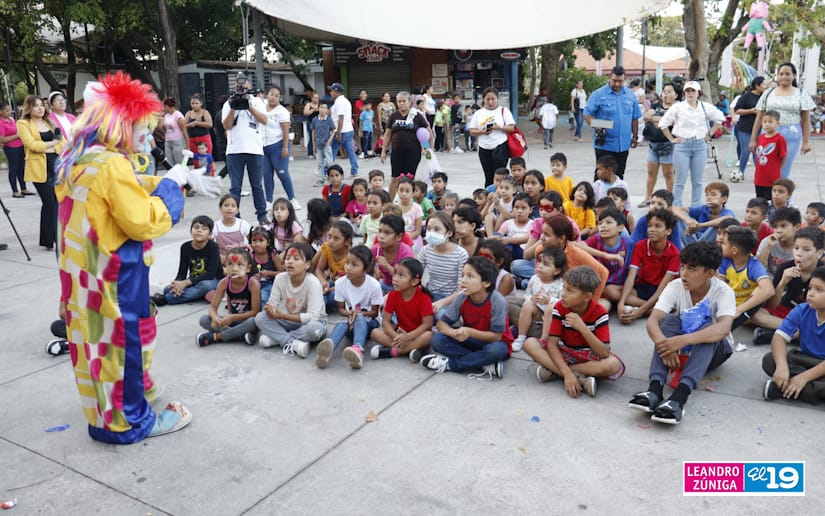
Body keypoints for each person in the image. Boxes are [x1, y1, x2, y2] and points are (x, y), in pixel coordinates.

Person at [55, 72, 192, 443]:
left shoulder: (79, 159)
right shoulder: (111, 164)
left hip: (85, 275)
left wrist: (165, 180)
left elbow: (124, 187)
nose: (144, 134)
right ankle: (130, 421)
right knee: (123, 341)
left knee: (99, 343)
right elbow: (142, 220)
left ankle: (122, 399)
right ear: (119, 124)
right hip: (115, 276)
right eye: (139, 126)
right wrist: (171, 191)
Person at [628, 241, 734, 425]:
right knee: (669, 320)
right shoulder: (675, 286)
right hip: (677, 351)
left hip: (713, 351)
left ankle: (679, 398)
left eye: (692, 269)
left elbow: (723, 329)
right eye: (683, 267)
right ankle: (654, 389)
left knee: (709, 329)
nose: (684, 273)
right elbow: (653, 320)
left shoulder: (723, 291)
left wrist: (681, 341)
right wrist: (665, 347)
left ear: (709, 273)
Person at [524, 266, 624, 397]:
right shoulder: (559, 307)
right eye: (564, 288)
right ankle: (580, 378)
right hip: (564, 352)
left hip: (588, 357)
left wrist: (582, 328)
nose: (563, 294)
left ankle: (554, 371)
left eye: (570, 291)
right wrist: (567, 374)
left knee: (613, 364)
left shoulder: (600, 312)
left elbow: (604, 353)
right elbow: (552, 344)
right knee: (529, 344)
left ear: (587, 297)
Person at [421, 256, 512, 380]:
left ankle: (451, 364)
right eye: (462, 275)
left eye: (470, 276)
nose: (463, 280)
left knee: (496, 350)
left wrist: (469, 332)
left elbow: (496, 336)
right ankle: (483, 363)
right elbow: (441, 324)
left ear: (486, 283)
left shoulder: (497, 301)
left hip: (493, 342)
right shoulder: (462, 297)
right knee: (437, 340)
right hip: (469, 340)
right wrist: (453, 333)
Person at [762, 266, 825, 404]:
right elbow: (779, 337)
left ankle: (783, 388)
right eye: (810, 288)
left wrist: (804, 377)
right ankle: (801, 388)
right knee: (769, 360)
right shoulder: (802, 310)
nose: (811, 293)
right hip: (805, 358)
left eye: (819, 290)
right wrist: (782, 366)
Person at [658, 81, 726, 207]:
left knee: (697, 181)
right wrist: (671, 139)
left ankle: (696, 207)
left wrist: (710, 133)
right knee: (679, 181)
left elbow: (720, 117)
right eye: (687, 91)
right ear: (684, 93)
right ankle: (676, 207)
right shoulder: (678, 107)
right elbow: (663, 123)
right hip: (682, 145)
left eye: (693, 91)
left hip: (700, 145)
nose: (690, 93)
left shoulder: (705, 107)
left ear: (698, 93)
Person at [315, 244, 383, 369]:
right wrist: (349, 314)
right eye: (347, 263)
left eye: (354, 265)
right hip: (350, 321)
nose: (348, 268)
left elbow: (375, 313)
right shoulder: (340, 283)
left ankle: (358, 349)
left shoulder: (374, 285)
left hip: (370, 323)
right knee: (341, 324)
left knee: (360, 318)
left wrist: (358, 314)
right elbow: (341, 309)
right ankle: (328, 350)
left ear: (366, 269)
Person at [254, 242, 327, 357]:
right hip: (287, 321)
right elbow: (273, 303)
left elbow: (313, 317)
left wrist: (282, 315)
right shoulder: (280, 278)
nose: (290, 262)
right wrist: (270, 308)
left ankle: (276, 339)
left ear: (307, 264)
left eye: (296, 259)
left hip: (310, 323)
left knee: (315, 330)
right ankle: (293, 343)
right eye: (287, 258)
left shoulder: (313, 283)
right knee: (260, 318)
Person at [749, 63, 815, 179]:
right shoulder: (768, 93)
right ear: (777, 76)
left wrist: (806, 142)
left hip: (791, 135)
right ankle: (766, 191)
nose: (784, 77)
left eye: (788, 74)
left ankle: (782, 191)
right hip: (768, 135)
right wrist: (753, 139)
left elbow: (805, 120)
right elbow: (759, 117)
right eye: (781, 74)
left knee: (783, 170)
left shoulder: (801, 93)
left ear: (794, 76)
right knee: (766, 167)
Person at [17, 94, 64, 250]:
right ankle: (50, 240)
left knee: (57, 201)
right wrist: (53, 143)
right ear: (29, 108)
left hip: (55, 165)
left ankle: (53, 238)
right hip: (38, 167)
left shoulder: (49, 122)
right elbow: (32, 145)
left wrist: (50, 146)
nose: (40, 108)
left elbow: (62, 144)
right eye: (36, 105)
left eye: (42, 105)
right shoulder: (23, 123)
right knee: (49, 202)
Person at [617, 209, 680, 323]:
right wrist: (620, 304)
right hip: (644, 287)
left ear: (668, 231)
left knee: (670, 299)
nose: (652, 229)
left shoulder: (675, 254)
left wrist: (639, 312)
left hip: (664, 291)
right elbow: (631, 277)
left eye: (658, 226)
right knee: (611, 291)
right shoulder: (640, 246)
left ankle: (649, 309)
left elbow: (662, 289)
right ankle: (654, 310)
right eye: (650, 226)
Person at [221, 76, 269, 226]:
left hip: (254, 150)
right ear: (234, 88)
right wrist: (234, 107)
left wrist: (249, 106)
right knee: (235, 187)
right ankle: (235, 216)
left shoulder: (257, 101)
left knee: (257, 186)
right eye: (239, 88)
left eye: (245, 88)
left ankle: (262, 215)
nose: (242, 91)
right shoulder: (228, 103)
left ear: (250, 88)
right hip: (234, 151)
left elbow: (264, 120)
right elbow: (226, 126)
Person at [370, 257, 434, 361]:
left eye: (401, 275)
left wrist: (407, 337)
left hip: (418, 334)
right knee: (375, 333)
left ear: (414, 281)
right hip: (399, 334)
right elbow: (385, 322)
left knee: (428, 336)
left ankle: (395, 351)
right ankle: (411, 350)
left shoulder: (424, 298)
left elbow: (427, 324)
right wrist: (398, 338)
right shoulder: (393, 295)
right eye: (395, 273)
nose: (395, 278)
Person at [196, 246, 261, 347]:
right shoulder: (224, 282)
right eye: (230, 264)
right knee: (204, 319)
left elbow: (255, 312)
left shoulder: (253, 283)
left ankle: (216, 337)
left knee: (253, 322)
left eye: (240, 265)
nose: (234, 269)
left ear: (248, 268)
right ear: (225, 266)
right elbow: (213, 307)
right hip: (231, 321)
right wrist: (215, 317)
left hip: (246, 320)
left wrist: (233, 317)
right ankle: (240, 336)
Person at [584, 67, 641, 180]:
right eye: (614, 81)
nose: (617, 84)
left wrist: (635, 136)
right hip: (605, 145)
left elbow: (635, 117)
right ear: (610, 78)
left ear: (624, 80)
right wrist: (596, 124)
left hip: (623, 145)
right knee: (601, 176)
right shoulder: (599, 94)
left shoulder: (630, 95)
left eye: (620, 81)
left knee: (619, 176)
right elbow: (587, 113)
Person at [152, 215, 221, 306]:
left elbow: (210, 274)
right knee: (167, 289)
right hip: (194, 279)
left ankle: (167, 299)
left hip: (212, 280)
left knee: (205, 286)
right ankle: (198, 295)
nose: (199, 230)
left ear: (210, 234)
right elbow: (182, 272)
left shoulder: (213, 246)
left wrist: (185, 283)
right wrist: (177, 284)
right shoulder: (185, 247)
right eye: (196, 227)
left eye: (204, 229)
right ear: (190, 231)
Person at [510, 247, 567, 351]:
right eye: (539, 262)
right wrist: (531, 298)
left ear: (557, 271)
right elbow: (527, 294)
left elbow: (564, 303)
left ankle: (544, 339)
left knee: (550, 308)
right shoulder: (534, 279)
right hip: (538, 313)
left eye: (546, 264)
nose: (540, 266)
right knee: (527, 304)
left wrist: (550, 300)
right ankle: (521, 337)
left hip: (554, 317)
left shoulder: (560, 284)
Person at [380, 91, 429, 199]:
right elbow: (387, 134)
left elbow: (426, 132)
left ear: (409, 102)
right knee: (394, 178)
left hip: (413, 152)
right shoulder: (393, 116)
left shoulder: (416, 115)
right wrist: (383, 151)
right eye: (399, 101)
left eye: (404, 101)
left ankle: (409, 201)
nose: (401, 103)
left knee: (409, 179)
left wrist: (427, 147)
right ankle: (389, 202)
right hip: (397, 152)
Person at [260, 86, 299, 211]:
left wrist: (285, 147)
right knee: (266, 175)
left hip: (277, 145)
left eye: (277, 96)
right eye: (271, 94)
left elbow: (285, 130)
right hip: (263, 146)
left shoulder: (282, 111)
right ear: (267, 95)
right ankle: (268, 201)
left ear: (280, 98)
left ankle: (292, 199)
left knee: (282, 173)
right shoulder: (261, 107)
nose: (273, 98)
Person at [468, 88, 516, 187]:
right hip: (484, 148)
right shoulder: (479, 113)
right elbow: (472, 131)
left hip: (500, 146)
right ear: (483, 99)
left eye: (493, 99)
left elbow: (511, 128)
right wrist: (481, 132)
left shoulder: (504, 111)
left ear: (497, 99)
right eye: (487, 99)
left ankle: (503, 192)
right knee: (488, 176)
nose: (490, 102)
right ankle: (488, 193)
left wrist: (499, 127)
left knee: (500, 176)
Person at [640, 83, 678, 207]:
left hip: (668, 146)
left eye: (669, 92)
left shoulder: (677, 108)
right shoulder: (656, 106)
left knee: (668, 174)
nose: (666, 94)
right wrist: (663, 120)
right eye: (664, 91)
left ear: (675, 95)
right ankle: (647, 197)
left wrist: (657, 119)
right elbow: (646, 116)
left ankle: (669, 199)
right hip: (653, 145)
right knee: (651, 173)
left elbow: (675, 121)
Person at [733, 77, 766, 179]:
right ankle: (741, 172)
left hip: (760, 128)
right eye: (764, 84)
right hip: (745, 128)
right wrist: (750, 111)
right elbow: (737, 110)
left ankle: (759, 174)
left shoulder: (764, 97)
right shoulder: (746, 96)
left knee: (758, 151)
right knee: (746, 150)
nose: (766, 86)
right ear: (757, 86)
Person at [0, 100, 33, 197]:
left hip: (20, 146)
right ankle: (15, 191)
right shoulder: (1, 123)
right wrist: (17, 135)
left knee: (21, 169)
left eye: (9, 110)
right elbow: (2, 139)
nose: (9, 112)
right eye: (7, 111)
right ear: (1, 111)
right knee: (13, 169)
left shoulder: (11, 120)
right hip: (11, 148)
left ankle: (24, 188)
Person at [753, 110, 787, 201]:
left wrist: (777, 169)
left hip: (771, 178)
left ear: (778, 123)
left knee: (770, 201)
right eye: (764, 122)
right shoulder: (760, 137)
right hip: (759, 177)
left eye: (770, 122)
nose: (767, 124)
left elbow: (783, 156)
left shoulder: (779, 139)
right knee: (759, 201)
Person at [328, 83, 359, 177]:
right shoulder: (345, 101)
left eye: (332, 91)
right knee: (350, 151)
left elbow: (340, 118)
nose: (331, 93)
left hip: (341, 130)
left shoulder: (339, 103)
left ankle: (327, 170)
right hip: (348, 129)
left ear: (336, 91)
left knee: (332, 150)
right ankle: (354, 170)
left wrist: (338, 132)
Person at [162, 97, 188, 165]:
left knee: (179, 162)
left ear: (167, 106)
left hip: (177, 141)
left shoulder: (178, 115)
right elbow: (163, 127)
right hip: (168, 141)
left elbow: (184, 130)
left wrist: (187, 145)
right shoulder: (166, 116)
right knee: (169, 163)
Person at [302, 91, 321, 158]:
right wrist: (313, 110)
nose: (316, 99)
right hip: (311, 123)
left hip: (320, 123)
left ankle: (319, 152)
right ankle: (310, 153)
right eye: (314, 98)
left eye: (317, 98)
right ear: (312, 98)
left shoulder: (320, 105)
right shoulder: (308, 104)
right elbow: (305, 113)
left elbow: (326, 112)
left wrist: (319, 110)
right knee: (312, 137)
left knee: (319, 137)